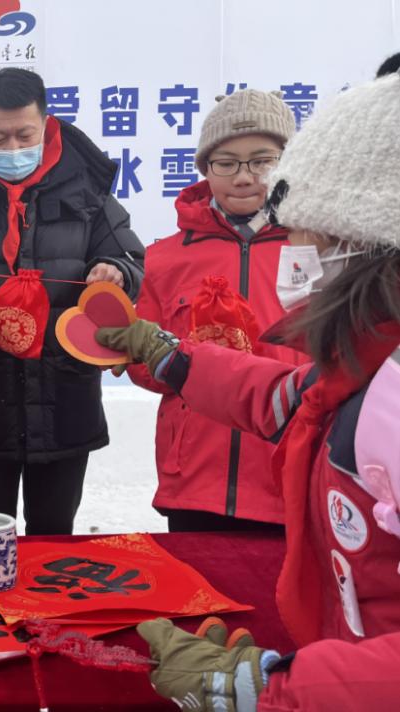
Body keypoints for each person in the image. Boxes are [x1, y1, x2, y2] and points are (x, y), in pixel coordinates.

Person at [99, 72, 400, 710]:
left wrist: (267, 688)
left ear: (364, 241)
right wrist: (169, 355)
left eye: (308, 230)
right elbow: (284, 397)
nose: (294, 249)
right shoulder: (367, 364)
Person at [0, 67, 145, 535]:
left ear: (45, 124)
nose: (13, 148)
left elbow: (130, 260)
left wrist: (115, 273)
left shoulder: (87, 191)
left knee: (55, 533)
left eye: (25, 136)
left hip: (65, 393)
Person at [127, 89, 310, 532]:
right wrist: (159, 354)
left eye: (262, 161)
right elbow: (143, 368)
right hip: (195, 480)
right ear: (205, 169)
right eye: (226, 163)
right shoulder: (164, 258)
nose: (243, 177)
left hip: (289, 473)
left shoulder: (316, 247)